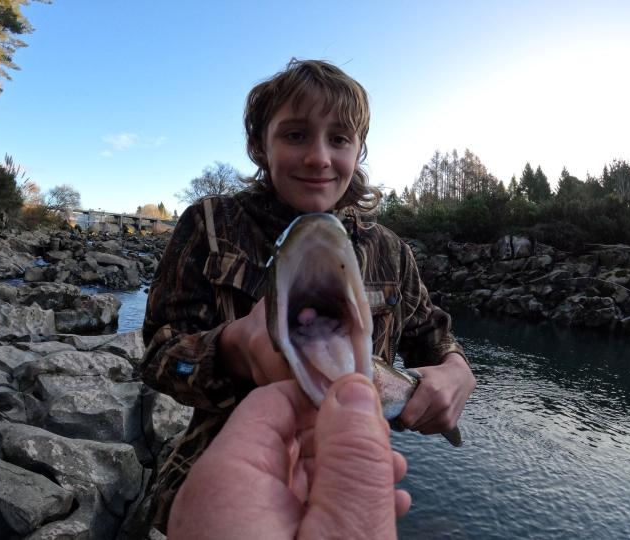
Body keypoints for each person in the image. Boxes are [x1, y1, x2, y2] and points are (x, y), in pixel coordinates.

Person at [139, 58, 476, 532]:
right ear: (260, 144)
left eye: (339, 139)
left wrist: (457, 373)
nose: (319, 157)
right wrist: (234, 348)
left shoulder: (392, 252)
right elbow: (157, 357)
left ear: (358, 150)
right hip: (212, 498)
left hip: (351, 488)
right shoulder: (210, 225)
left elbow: (435, 339)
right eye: (295, 135)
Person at [167, 374, 408, 539]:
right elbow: (157, 358)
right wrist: (234, 344)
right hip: (196, 497)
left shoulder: (409, 296)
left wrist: (448, 362)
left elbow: (429, 332)